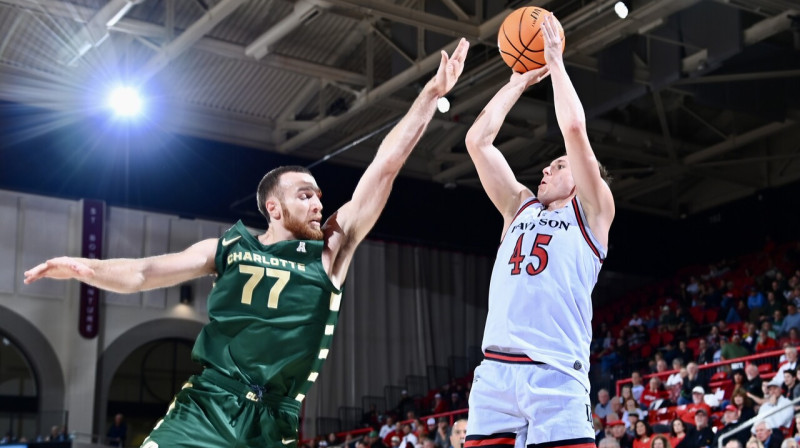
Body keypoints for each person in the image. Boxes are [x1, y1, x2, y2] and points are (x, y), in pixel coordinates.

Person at [23, 38, 470, 448]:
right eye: (305, 195)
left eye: (319, 194)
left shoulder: (331, 250)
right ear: (273, 209)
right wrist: (83, 267)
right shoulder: (228, 247)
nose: (318, 203)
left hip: (273, 417)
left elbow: (384, 167)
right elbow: (144, 272)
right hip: (208, 403)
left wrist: (429, 96)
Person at [463, 13, 614, 448]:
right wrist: (517, 82)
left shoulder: (593, 213)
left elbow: (573, 128)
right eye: (548, 164)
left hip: (556, 374)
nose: (547, 168)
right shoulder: (519, 208)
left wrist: (555, 63)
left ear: (586, 178)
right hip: (495, 372)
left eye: (559, 165)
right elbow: (478, 142)